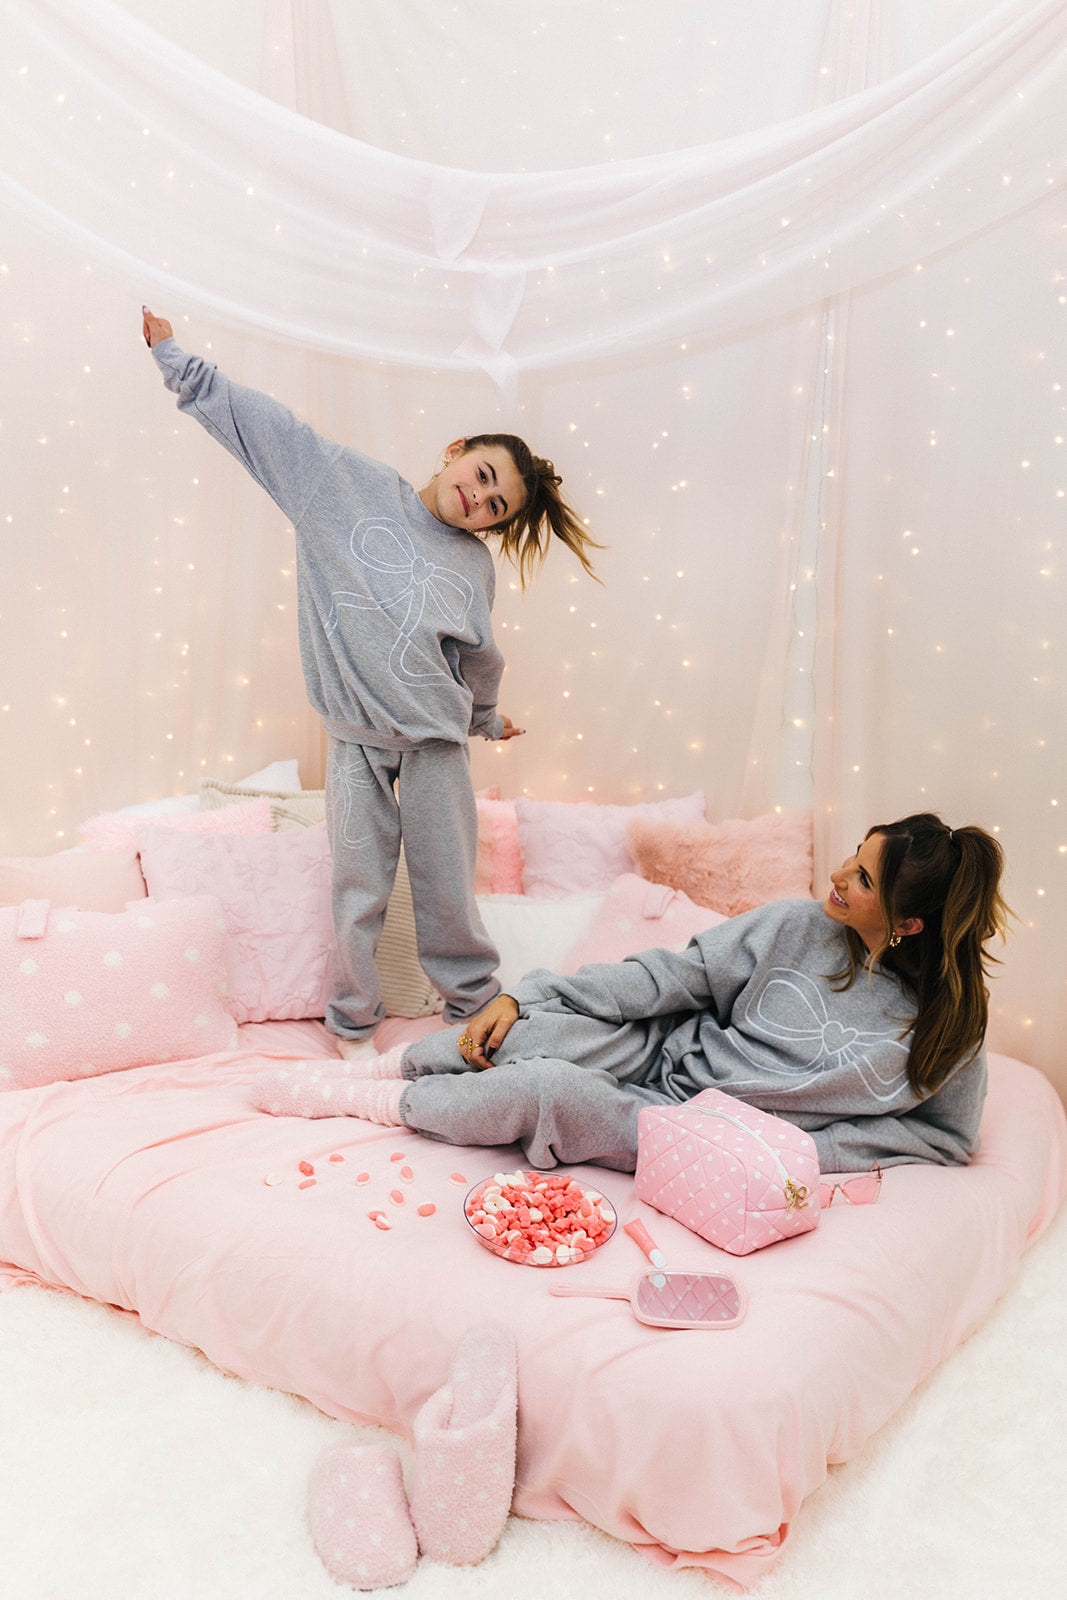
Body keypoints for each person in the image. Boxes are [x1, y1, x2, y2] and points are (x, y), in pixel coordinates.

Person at [142, 308, 600, 1057]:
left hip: (436, 748)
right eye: (482, 476)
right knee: (357, 891)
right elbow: (269, 431)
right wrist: (178, 363)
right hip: (354, 741)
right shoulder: (341, 487)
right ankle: (354, 1024)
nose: (479, 499)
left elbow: (478, 659)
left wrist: (485, 719)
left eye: (496, 507)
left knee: (446, 891)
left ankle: (477, 1012)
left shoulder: (471, 566)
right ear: (455, 452)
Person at [251, 812, 1010, 1173]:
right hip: (663, 1050)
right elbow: (667, 978)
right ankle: (383, 1068)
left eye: (862, 878)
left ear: (907, 923)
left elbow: (946, 1138)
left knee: (544, 1090)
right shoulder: (793, 924)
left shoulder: (952, 1030)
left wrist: (807, 1152)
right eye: (853, 853)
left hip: (698, 1131)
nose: (838, 876)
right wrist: (530, 996)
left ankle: (378, 1103)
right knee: (533, 1032)